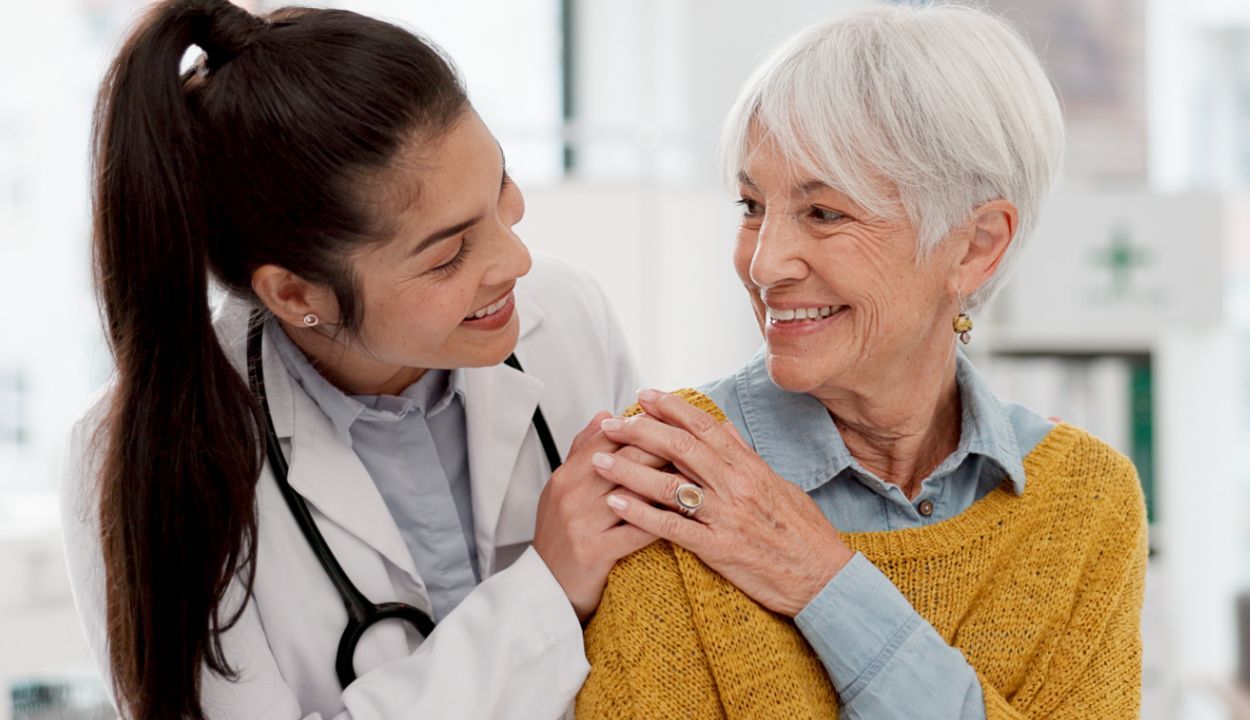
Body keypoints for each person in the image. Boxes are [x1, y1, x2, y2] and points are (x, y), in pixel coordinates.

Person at [60, 1, 659, 718]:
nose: (516, 260)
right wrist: (547, 593)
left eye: (500, 186)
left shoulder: (565, 320)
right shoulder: (143, 455)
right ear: (296, 293)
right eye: (448, 256)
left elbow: (658, 619)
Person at [577, 4, 1147, 719]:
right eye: (751, 204)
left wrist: (825, 583)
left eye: (823, 213)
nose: (764, 262)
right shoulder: (677, 470)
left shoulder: (1084, 501)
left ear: (974, 247)